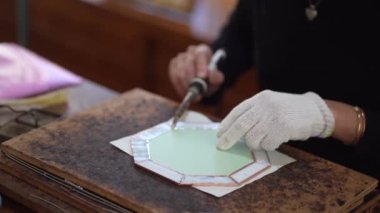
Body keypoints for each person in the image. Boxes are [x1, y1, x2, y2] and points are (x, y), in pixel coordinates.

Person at [168, 0, 379, 181]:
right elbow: (240, 35)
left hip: (359, 178)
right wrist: (207, 70)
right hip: (271, 164)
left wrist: (327, 117)